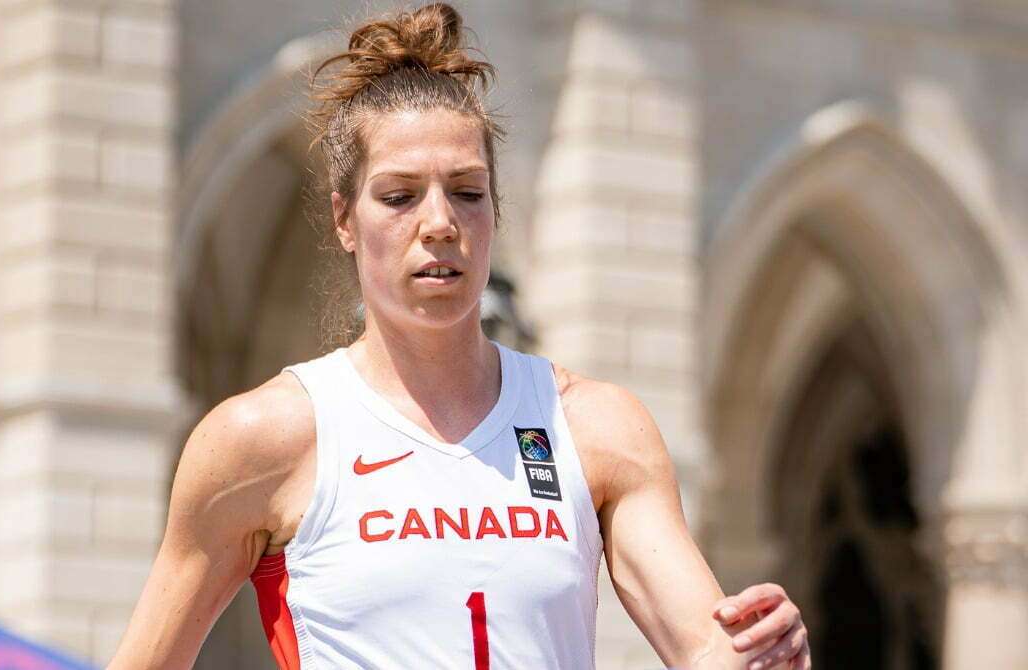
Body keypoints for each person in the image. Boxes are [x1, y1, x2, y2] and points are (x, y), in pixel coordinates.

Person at [108, 3, 811, 669]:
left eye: (468, 191)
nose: (440, 223)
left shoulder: (596, 427)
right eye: (399, 195)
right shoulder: (260, 439)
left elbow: (708, 648)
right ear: (345, 221)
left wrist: (764, 651)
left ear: (494, 213)